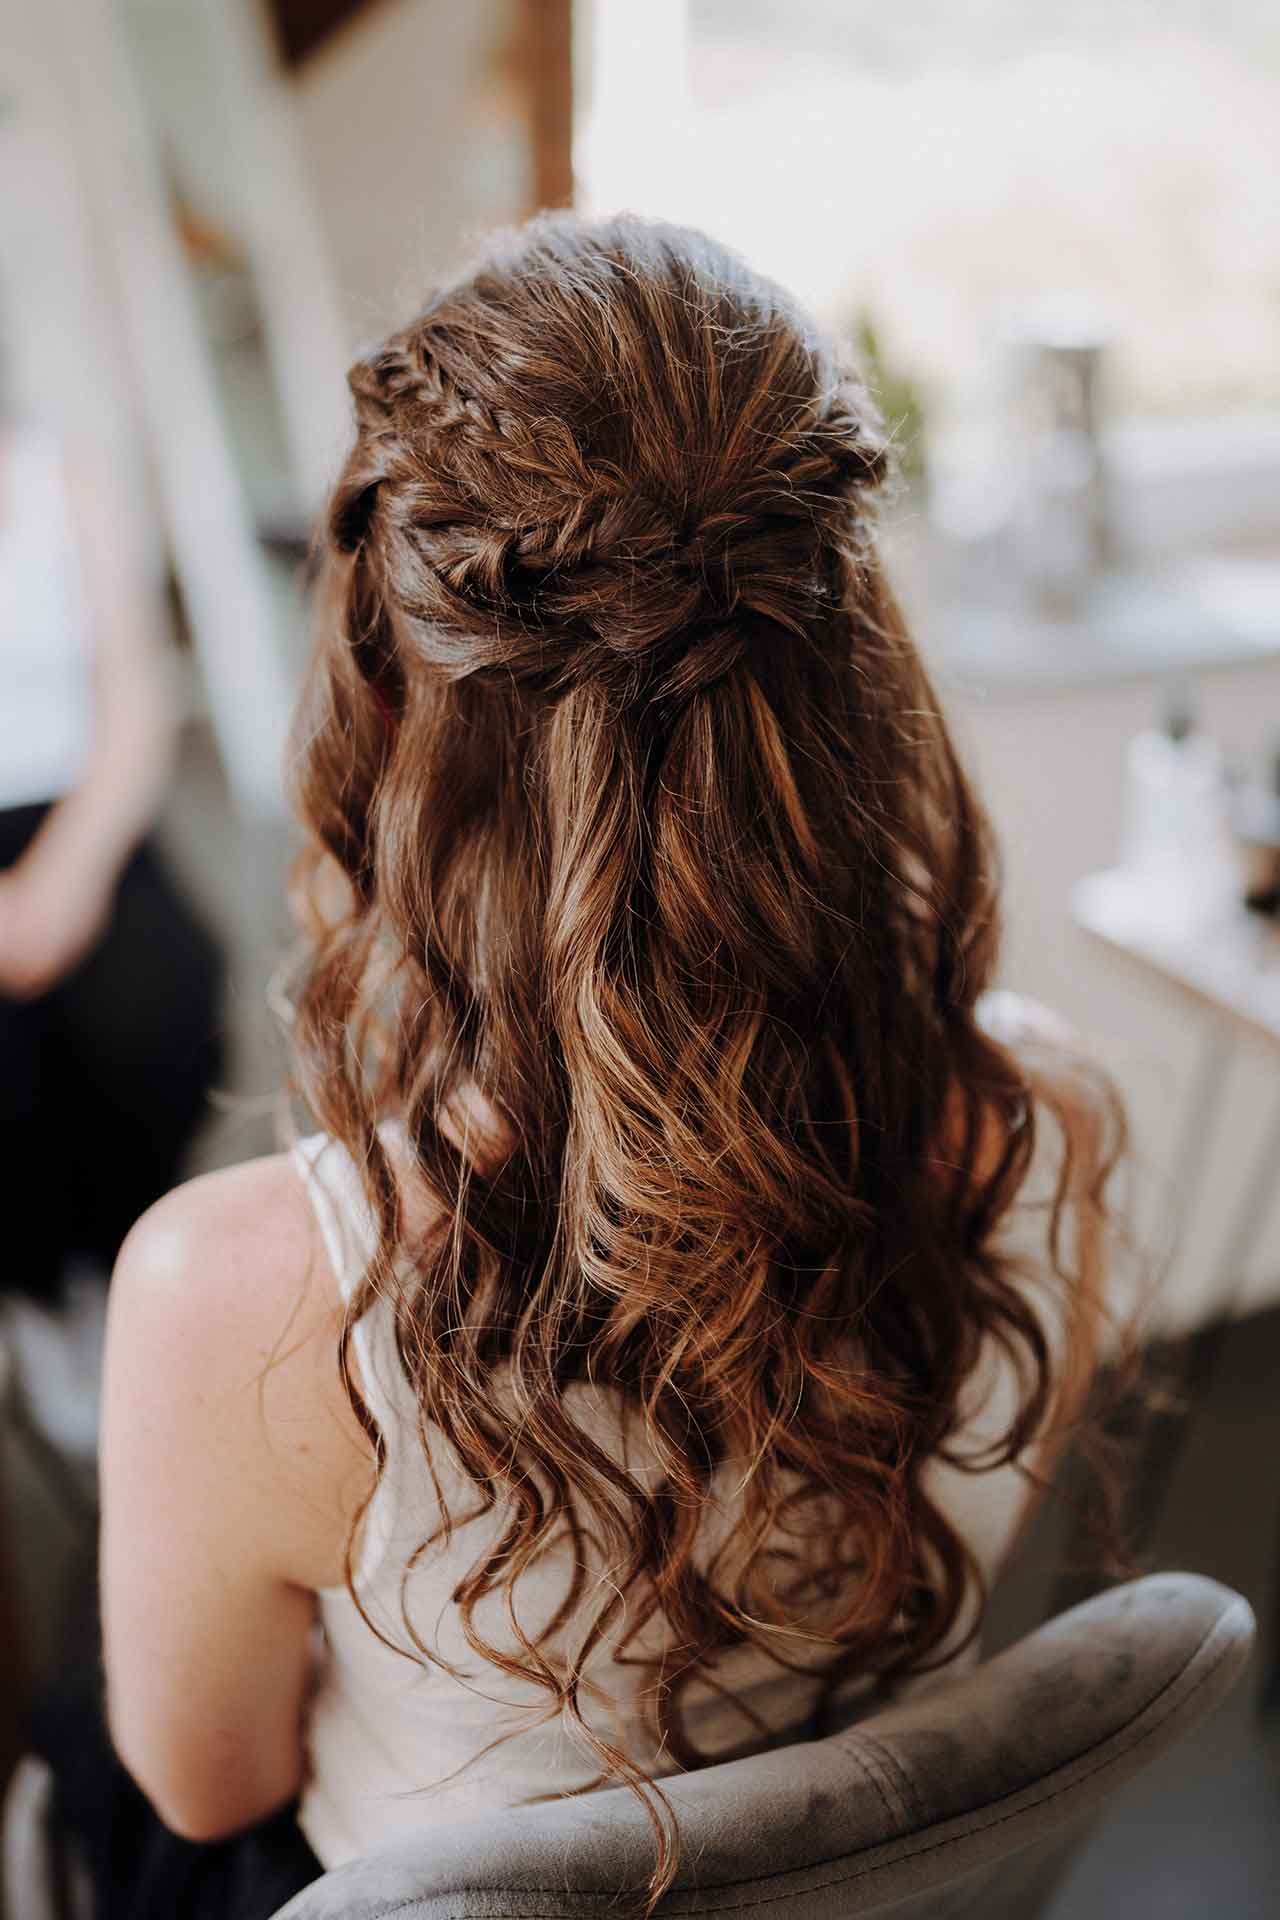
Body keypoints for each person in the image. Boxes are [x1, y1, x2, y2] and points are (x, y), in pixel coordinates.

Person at [93, 214, 1124, 1919]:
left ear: (385, 689)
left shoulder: (237, 1293)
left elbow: (215, 1786)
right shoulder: (1042, 1121)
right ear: (855, 666)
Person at [0, 398, 225, 1444]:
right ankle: (42, 1294)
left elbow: (134, 697)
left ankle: (128, 1269)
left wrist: (65, 879)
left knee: (157, 1008)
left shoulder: (58, 466)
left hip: (80, 815)